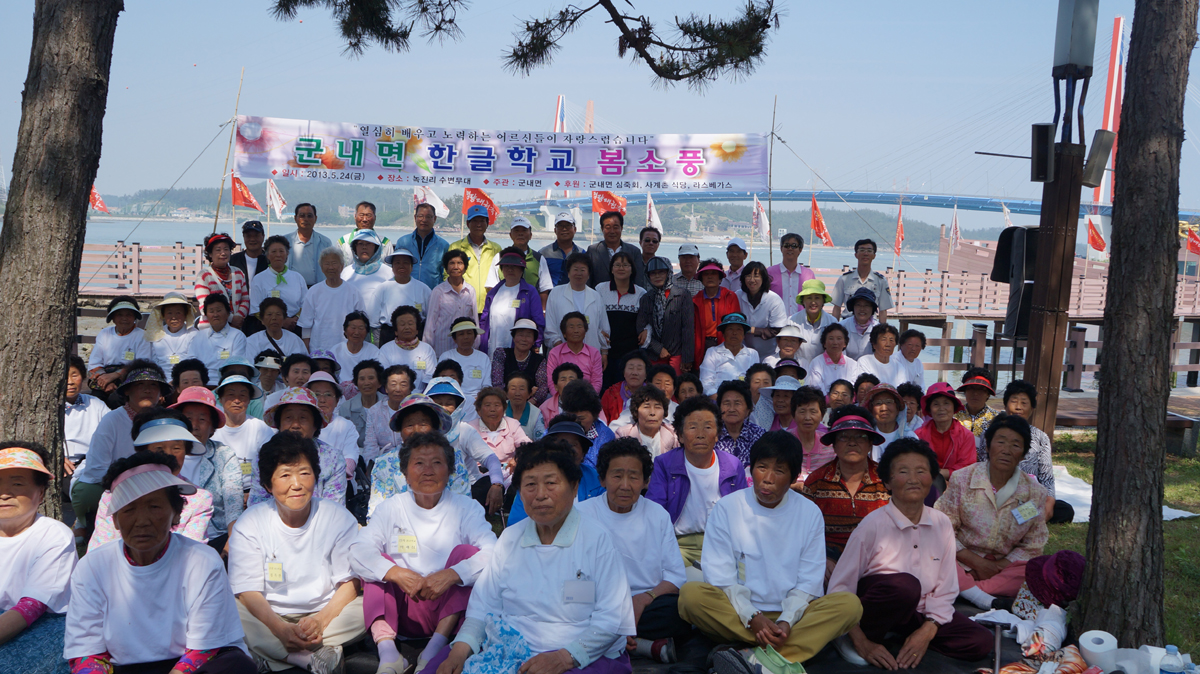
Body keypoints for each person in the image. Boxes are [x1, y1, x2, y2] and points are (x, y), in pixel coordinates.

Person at [428, 438, 636, 674]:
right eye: (530, 485)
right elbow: (482, 607)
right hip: (508, 648)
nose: (540, 495)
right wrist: (459, 652)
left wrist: (563, 658)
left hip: (581, 655)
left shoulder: (598, 540)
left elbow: (611, 620)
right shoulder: (509, 538)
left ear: (574, 486)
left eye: (551, 483)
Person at [678, 431, 862, 667]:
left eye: (779, 470)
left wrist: (785, 621)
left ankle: (751, 659)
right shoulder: (727, 508)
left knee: (849, 606)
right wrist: (753, 617)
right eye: (762, 467)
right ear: (751, 469)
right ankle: (778, 657)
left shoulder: (809, 512)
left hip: (793, 618)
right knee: (690, 597)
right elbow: (721, 577)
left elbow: (809, 582)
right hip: (737, 615)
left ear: (794, 476)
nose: (767, 479)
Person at [64, 452, 256, 674]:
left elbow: (206, 646)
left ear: (176, 514)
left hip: (188, 665)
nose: (142, 521)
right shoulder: (92, 568)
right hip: (124, 668)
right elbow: (87, 653)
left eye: (154, 507)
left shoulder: (202, 561)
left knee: (237, 666)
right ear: (115, 519)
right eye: (129, 509)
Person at [829, 438, 993, 668]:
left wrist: (926, 632)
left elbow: (946, 588)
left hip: (919, 612)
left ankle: (902, 638)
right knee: (906, 586)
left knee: (980, 641)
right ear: (887, 481)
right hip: (877, 606)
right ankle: (858, 637)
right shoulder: (872, 525)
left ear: (931, 478)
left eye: (921, 471)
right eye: (903, 471)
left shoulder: (941, 523)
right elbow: (839, 588)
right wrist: (862, 641)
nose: (914, 479)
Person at [351, 431, 497, 674]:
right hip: (403, 607)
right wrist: (395, 572)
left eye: (437, 463)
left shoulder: (466, 508)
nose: (428, 470)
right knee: (377, 564)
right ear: (405, 474)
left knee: (466, 553)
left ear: (449, 471)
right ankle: (388, 653)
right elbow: (358, 551)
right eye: (419, 463)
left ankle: (435, 649)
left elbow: (493, 551)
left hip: (446, 610)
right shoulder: (390, 508)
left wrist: (451, 574)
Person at [229, 432, 365, 673]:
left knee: (375, 603)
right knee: (229, 610)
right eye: (285, 475)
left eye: (304, 473)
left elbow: (350, 581)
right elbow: (248, 591)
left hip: (328, 614)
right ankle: (306, 659)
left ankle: (270, 656)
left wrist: (320, 621)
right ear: (268, 485)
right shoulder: (250, 523)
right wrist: (280, 630)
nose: (297, 484)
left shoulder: (338, 517)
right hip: (269, 616)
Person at [578, 439, 690, 664]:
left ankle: (615, 642)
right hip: (598, 602)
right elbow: (573, 577)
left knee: (681, 609)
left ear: (646, 481)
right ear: (602, 478)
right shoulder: (581, 514)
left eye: (634, 476)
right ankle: (638, 645)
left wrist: (643, 599)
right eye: (617, 476)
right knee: (572, 603)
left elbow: (676, 576)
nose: (625, 485)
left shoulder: (657, 515)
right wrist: (615, 608)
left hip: (648, 605)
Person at [936, 414, 1049, 609]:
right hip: (962, 560)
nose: (1006, 450)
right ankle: (982, 592)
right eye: (1001, 442)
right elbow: (942, 528)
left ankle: (970, 591)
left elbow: (1033, 544)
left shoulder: (1035, 493)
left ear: (1023, 454)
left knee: (1037, 571)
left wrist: (999, 566)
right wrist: (977, 563)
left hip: (1004, 568)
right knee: (934, 556)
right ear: (988, 446)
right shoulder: (963, 479)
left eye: (1015, 445)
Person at [71, 360, 171, 551]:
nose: (147, 390)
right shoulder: (112, 420)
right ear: (127, 391)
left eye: (153, 385)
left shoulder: (167, 421)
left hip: (156, 482)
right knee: (86, 492)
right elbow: (96, 467)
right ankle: (88, 525)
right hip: (112, 484)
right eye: (140, 385)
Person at [88, 411, 216, 552]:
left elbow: (191, 552)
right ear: (143, 451)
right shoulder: (113, 495)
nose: (169, 454)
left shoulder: (199, 499)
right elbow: (100, 549)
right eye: (159, 448)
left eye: (177, 448)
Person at [645, 396, 747, 568]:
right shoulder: (665, 464)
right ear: (681, 435)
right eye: (692, 427)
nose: (700, 434)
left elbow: (744, 514)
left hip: (724, 545)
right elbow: (654, 512)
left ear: (717, 435)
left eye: (708, 427)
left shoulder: (732, 465)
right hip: (680, 546)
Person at [0, 443, 76, 669]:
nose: (5, 493)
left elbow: (31, 607)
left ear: (40, 493)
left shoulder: (54, 535)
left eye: (18, 484)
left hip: (40, 627)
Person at [801, 406, 891, 568]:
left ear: (870, 444)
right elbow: (804, 532)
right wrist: (821, 560)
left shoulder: (886, 480)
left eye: (860, 437)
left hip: (877, 558)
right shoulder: (816, 482)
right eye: (844, 437)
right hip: (828, 559)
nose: (852, 443)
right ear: (833, 445)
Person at [169, 386, 246, 551]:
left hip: (215, 536)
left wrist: (231, 542)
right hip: (171, 536)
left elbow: (234, 504)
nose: (194, 426)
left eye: (202, 420)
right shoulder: (164, 454)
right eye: (188, 419)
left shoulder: (223, 455)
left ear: (212, 428)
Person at [248, 387, 347, 507]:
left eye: (303, 418)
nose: (295, 425)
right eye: (288, 418)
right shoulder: (264, 455)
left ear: (315, 424)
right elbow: (257, 503)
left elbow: (334, 508)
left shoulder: (334, 458)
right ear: (279, 423)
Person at [504, 415, 606, 526]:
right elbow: (516, 524)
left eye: (573, 444)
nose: (567, 449)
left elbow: (605, 518)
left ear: (583, 452)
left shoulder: (595, 479)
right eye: (561, 443)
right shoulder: (531, 479)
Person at [1000, 380, 1062, 522]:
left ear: (1032, 409)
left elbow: (1047, 478)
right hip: (1000, 494)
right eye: (1013, 401)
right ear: (1005, 405)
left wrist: (1049, 503)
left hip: (1031, 496)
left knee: (1064, 510)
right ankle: (1021, 516)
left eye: (1024, 403)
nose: (1018, 408)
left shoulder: (1041, 437)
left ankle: (1022, 516)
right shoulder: (993, 434)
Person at [213, 375, 275, 494]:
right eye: (231, 395)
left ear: (249, 399)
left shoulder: (260, 427)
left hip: (255, 490)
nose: (237, 400)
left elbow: (269, 464)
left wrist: (252, 493)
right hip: (219, 491)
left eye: (242, 395)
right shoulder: (213, 429)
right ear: (220, 399)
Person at [299, 248, 368, 353]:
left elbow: (362, 321)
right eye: (327, 264)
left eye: (334, 263)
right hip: (319, 348)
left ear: (342, 266)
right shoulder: (313, 291)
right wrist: (306, 349)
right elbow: (306, 325)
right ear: (321, 268)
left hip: (347, 349)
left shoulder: (353, 292)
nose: (331, 267)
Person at [87, 296, 153, 405]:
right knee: (95, 400)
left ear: (134, 317)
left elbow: (142, 364)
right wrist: (106, 381)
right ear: (112, 318)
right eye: (120, 315)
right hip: (104, 376)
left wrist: (116, 375)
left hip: (130, 376)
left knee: (117, 399)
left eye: (128, 315)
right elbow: (94, 363)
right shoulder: (104, 334)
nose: (124, 318)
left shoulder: (142, 335)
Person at [480, 247, 545, 357]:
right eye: (507, 266)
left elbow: (538, 321)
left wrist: (536, 344)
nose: (510, 270)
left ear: (522, 269)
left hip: (519, 351)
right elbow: (484, 321)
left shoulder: (530, 292)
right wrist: (482, 343)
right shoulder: (493, 293)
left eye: (514, 266)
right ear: (501, 269)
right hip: (493, 347)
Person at [544, 253, 610, 358]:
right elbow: (550, 327)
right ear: (568, 273)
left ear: (588, 274)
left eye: (583, 270)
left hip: (591, 356)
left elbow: (604, 328)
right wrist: (562, 348)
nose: (579, 273)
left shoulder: (596, 296)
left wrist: (605, 353)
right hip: (561, 355)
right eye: (575, 269)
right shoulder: (556, 293)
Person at [637, 256, 695, 375]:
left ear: (668, 272)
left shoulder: (683, 295)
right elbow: (640, 328)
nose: (657, 276)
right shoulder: (646, 298)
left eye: (661, 272)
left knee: (675, 388)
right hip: (654, 355)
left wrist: (687, 358)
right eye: (653, 273)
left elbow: (688, 328)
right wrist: (658, 349)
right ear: (648, 276)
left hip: (677, 354)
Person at [598, 251, 647, 388]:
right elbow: (593, 315)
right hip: (604, 351)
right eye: (617, 265)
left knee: (624, 389)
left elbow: (648, 318)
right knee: (605, 389)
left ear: (632, 269)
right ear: (611, 269)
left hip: (629, 352)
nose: (621, 268)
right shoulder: (600, 289)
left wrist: (647, 330)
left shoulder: (641, 293)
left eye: (625, 265)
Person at [145, 292, 218, 383]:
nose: (174, 317)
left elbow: (195, 363)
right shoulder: (156, 334)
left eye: (178, 313)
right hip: (161, 381)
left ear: (185, 314)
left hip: (185, 381)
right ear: (163, 315)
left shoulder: (194, 335)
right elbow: (153, 362)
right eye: (169, 313)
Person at [468, 386, 532, 491]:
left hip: (508, 474)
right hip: (478, 476)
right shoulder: (470, 428)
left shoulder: (512, 424)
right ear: (478, 410)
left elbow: (529, 447)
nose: (492, 409)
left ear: (504, 409)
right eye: (487, 405)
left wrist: (517, 459)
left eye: (497, 405)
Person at [305, 371, 362, 482]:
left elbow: (350, 461)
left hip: (338, 482)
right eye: (316, 394)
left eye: (328, 395)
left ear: (337, 401)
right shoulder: (300, 424)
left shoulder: (346, 426)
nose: (322, 400)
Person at [915, 382, 977, 481]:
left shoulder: (966, 436)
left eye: (946, 403)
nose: (941, 408)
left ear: (954, 407)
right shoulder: (918, 435)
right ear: (929, 409)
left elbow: (967, 468)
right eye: (936, 404)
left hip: (958, 485)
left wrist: (938, 473)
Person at [484, 216, 553, 305]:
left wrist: (543, 311)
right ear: (510, 235)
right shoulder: (500, 257)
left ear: (530, 235)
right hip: (504, 308)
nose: (520, 234)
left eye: (524, 230)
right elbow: (492, 286)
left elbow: (544, 288)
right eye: (516, 230)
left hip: (531, 309)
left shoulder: (539, 258)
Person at [63, 356, 108, 489]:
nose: (70, 382)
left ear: (82, 377)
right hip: (66, 466)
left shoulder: (95, 403)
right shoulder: (49, 409)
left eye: (74, 375)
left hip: (94, 462)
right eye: (65, 376)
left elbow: (112, 429)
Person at [448, 205, 502, 313]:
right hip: (462, 306)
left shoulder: (496, 249)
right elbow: (447, 275)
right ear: (468, 224)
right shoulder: (456, 247)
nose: (478, 224)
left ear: (487, 224)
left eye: (482, 221)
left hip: (489, 306)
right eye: (474, 221)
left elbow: (501, 276)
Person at [424, 249, 478, 357]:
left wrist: (476, 346)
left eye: (460, 263)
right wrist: (427, 350)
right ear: (446, 268)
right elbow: (430, 323)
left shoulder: (470, 291)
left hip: (464, 349)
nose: (456, 267)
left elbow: (474, 320)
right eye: (452, 263)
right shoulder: (438, 291)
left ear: (465, 268)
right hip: (442, 347)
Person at [375, 248, 434, 344]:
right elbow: (374, 320)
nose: (401, 266)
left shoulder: (423, 289)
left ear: (412, 267)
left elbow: (430, 317)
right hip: (389, 335)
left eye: (406, 263)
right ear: (392, 267)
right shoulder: (382, 288)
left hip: (416, 335)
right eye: (397, 263)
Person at [195, 232, 250, 330]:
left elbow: (245, 299)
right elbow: (205, 306)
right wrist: (231, 318)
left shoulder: (238, 273)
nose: (223, 253)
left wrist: (239, 317)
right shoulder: (204, 276)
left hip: (235, 329)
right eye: (218, 250)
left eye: (226, 249)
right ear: (210, 254)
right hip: (210, 328)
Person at [250, 235, 309, 327]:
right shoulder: (259, 279)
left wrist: (294, 319)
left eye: (281, 251)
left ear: (287, 254)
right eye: (273, 251)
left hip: (295, 325)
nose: (278, 255)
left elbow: (305, 304)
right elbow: (256, 309)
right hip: (268, 327)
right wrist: (280, 322)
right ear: (267, 255)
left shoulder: (297, 277)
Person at [363, 365, 417, 463]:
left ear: (410, 389)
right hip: (383, 461)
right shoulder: (374, 411)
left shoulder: (417, 410)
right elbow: (370, 445)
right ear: (386, 388)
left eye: (403, 385)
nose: (397, 389)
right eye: (393, 384)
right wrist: (370, 466)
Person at [735, 261, 788, 360]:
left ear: (763, 279)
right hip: (742, 352)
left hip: (769, 354)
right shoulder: (737, 296)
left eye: (756, 276)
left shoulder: (774, 300)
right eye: (748, 276)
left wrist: (751, 330)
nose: (752, 280)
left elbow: (777, 330)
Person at [832, 239, 894, 323]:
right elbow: (836, 307)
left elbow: (883, 311)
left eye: (869, 250)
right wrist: (834, 329)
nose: (865, 253)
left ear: (874, 255)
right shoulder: (844, 279)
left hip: (871, 326)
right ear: (856, 255)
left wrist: (881, 333)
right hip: (847, 325)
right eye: (862, 250)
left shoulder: (881, 281)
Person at [692, 260, 741, 366]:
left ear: (720, 279)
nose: (710, 277)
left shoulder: (730, 296)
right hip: (702, 345)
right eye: (706, 274)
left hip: (726, 343)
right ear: (701, 279)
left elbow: (736, 324)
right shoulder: (695, 300)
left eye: (713, 273)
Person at [699, 312, 760, 396]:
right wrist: (720, 399)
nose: (734, 333)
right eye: (730, 329)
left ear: (744, 334)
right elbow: (705, 382)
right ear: (723, 334)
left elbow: (755, 381)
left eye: (739, 329)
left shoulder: (752, 354)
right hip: (717, 399)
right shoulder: (712, 352)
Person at [558, 380, 616, 468]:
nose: (577, 422)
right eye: (572, 417)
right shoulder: (555, 431)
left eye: (582, 418)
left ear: (594, 416)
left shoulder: (605, 435)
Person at [379, 306, 437, 389]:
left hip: (420, 398)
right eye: (402, 324)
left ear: (417, 329)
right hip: (395, 395)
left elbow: (430, 379)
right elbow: (384, 379)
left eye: (410, 324)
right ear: (395, 330)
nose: (407, 327)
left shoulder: (427, 349)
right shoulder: (385, 350)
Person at [397, 201, 450, 291]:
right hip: (405, 292)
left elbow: (446, 274)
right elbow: (395, 268)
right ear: (415, 217)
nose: (424, 220)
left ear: (435, 219)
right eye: (420, 216)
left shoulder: (443, 245)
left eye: (428, 217)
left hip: (433, 294)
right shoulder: (403, 242)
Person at [713, 380, 765, 468]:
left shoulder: (760, 435)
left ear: (748, 409)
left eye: (737, 403)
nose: (732, 409)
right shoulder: (712, 434)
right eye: (727, 403)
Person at [614, 384, 677, 457]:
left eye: (657, 407)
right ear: (636, 411)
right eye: (646, 407)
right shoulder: (623, 434)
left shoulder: (674, 434)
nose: (652, 413)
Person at [588, 210, 646, 288]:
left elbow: (638, 281)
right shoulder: (593, 251)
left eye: (615, 227)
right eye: (608, 227)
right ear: (602, 229)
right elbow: (588, 280)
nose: (612, 231)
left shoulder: (634, 252)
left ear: (621, 228)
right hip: (599, 297)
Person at [337, 360, 385, 450]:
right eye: (362, 379)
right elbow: (343, 440)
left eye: (371, 378)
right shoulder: (346, 408)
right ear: (356, 384)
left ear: (379, 383)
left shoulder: (388, 404)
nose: (366, 383)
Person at [433, 318, 488, 397]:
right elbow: (439, 381)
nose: (466, 337)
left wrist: (480, 399)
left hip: (477, 400)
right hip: (452, 397)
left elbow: (486, 385)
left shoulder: (483, 358)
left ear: (475, 336)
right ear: (454, 339)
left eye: (469, 333)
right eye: (461, 334)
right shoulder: (446, 356)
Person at [286, 202, 337, 287]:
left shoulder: (325, 242)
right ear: (295, 218)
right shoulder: (285, 241)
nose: (306, 219)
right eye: (302, 215)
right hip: (291, 288)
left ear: (315, 218)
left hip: (317, 289)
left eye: (309, 216)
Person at [340, 229, 393, 309]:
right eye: (360, 244)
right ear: (355, 247)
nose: (364, 247)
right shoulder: (345, 272)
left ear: (376, 247)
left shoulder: (388, 272)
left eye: (368, 243)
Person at [768, 233, 818, 316]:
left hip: (802, 323)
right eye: (786, 245)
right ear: (781, 248)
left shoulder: (808, 274)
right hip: (776, 322)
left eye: (794, 246)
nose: (790, 248)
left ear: (800, 249)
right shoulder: (770, 272)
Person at [788, 279, 836, 364]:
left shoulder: (832, 322)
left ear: (823, 301)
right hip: (798, 367)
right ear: (803, 301)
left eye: (817, 298)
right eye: (809, 298)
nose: (813, 302)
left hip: (824, 368)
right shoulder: (792, 321)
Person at [793, 385, 835, 480]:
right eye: (802, 411)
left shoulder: (830, 445)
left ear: (822, 415)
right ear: (793, 415)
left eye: (813, 412)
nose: (807, 417)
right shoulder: (782, 443)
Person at [864, 383, 917, 459]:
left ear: (897, 408)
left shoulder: (909, 437)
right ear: (871, 409)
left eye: (889, 402)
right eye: (878, 403)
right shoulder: (866, 436)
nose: (884, 408)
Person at [807, 323, 861, 393]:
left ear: (845, 343)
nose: (835, 342)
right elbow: (816, 389)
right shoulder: (816, 363)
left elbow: (853, 389)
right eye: (831, 338)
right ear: (824, 343)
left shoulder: (853, 364)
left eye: (839, 338)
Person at [331, 310, 381, 387]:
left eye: (361, 328)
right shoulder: (335, 350)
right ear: (345, 330)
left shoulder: (374, 351)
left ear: (367, 331)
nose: (357, 332)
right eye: (353, 328)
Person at [336, 200, 395, 265]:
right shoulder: (343, 243)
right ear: (355, 217)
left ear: (375, 218)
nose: (364, 219)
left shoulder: (385, 243)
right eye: (361, 215)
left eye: (368, 215)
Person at [601, 351, 651, 423]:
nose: (634, 373)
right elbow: (602, 424)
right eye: (630, 368)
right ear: (623, 372)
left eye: (639, 369)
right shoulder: (611, 394)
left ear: (646, 374)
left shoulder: (653, 395)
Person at [199, 294, 248, 368]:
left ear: (228, 313)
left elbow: (237, 364)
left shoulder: (237, 336)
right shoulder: (198, 337)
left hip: (228, 378)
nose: (215, 315)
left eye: (219, 310)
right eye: (211, 311)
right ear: (206, 315)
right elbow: (192, 363)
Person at [538, 211, 585, 286]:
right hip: (551, 296)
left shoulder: (582, 253)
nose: (564, 229)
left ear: (575, 229)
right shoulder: (543, 253)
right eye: (560, 226)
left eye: (568, 226)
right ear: (555, 230)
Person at [955, 367, 1000, 442]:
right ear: (965, 392)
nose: (975, 393)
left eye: (981, 389)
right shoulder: (954, 416)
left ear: (988, 394)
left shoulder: (996, 419)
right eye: (971, 388)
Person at [857, 323, 907, 387]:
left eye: (891, 340)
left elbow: (902, 390)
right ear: (874, 344)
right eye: (884, 339)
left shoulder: (899, 366)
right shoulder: (865, 361)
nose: (888, 344)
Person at [840, 288, 881, 361]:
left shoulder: (879, 329)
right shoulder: (842, 326)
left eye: (866, 305)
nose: (862, 309)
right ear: (853, 307)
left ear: (872, 309)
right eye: (858, 305)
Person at [504, 370, 545, 442]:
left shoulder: (536, 414)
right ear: (506, 393)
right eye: (513, 389)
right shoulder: (499, 409)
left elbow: (541, 441)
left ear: (529, 393)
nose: (517, 393)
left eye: (522, 389)